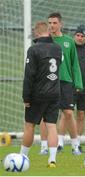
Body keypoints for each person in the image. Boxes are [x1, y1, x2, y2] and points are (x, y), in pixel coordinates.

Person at [39, 12, 83, 155]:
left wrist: (78, 83)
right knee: (44, 115)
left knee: (69, 113)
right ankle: (44, 147)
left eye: (54, 23)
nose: (52, 25)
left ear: (60, 24)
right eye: (50, 23)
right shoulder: (44, 41)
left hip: (65, 82)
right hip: (48, 81)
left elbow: (74, 63)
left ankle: (76, 146)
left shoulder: (69, 41)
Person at [20, 21, 62, 168]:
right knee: (51, 126)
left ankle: (22, 158)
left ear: (37, 32)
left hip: (37, 94)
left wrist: (26, 97)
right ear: (48, 31)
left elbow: (29, 75)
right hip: (55, 93)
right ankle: (52, 160)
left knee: (29, 125)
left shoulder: (33, 49)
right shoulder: (58, 49)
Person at [57, 25, 85, 153]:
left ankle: (77, 144)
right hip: (70, 86)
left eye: (82, 36)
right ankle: (59, 143)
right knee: (66, 114)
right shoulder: (68, 47)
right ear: (74, 36)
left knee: (81, 115)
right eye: (77, 35)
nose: (79, 38)